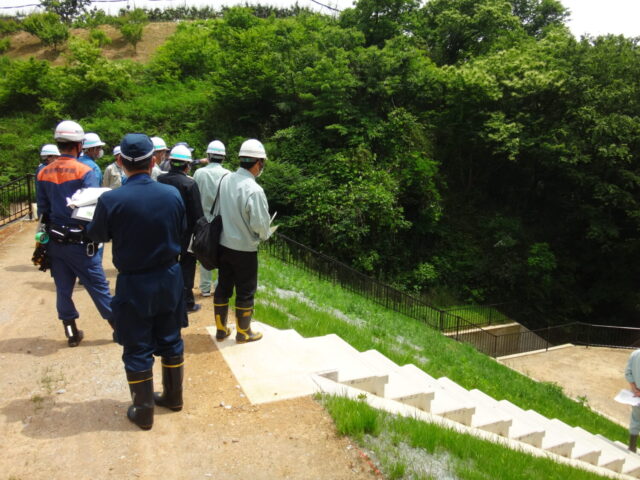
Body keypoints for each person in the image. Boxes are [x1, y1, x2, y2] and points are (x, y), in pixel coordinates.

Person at [86, 133, 186, 431]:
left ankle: (143, 411)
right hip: (170, 277)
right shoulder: (172, 194)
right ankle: (173, 397)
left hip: (134, 282)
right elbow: (181, 229)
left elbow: (98, 235)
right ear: (154, 160)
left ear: (120, 162)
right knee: (171, 338)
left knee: (137, 344)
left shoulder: (111, 199)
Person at [36, 120, 113, 347]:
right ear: (79, 144)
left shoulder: (43, 172)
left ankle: (71, 332)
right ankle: (119, 329)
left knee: (63, 288)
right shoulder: (86, 170)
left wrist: (42, 241)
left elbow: (43, 211)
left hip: (54, 240)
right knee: (99, 287)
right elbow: (91, 208)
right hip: (80, 241)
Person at [214, 139, 273, 343]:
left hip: (223, 243)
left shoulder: (226, 179)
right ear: (258, 163)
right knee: (246, 290)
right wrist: (265, 234)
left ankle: (221, 330)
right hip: (244, 249)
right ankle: (244, 332)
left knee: (223, 286)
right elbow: (259, 224)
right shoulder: (254, 190)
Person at [158, 144, 204, 315]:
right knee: (186, 266)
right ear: (187, 165)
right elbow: (198, 215)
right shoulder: (190, 184)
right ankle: (187, 302)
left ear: (170, 163)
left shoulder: (160, 180)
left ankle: (166, 298)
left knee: (165, 264)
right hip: (186, 233)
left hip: (164, 230)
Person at [192, 140, 230, 298]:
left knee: (204, 251)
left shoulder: (199, 173)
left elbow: (194, 195)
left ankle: (205, 288)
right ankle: (219, 285)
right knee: (222, 253)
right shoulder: (229, 175)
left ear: (208, 156)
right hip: (222, 220)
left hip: (203, 219)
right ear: (223, 158)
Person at [35, 144, 60, 217]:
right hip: (48, 208)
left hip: (43, 206)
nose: (58, 159)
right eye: (56, 157)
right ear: (49, 157)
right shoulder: (46, 170)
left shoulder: (41, 168)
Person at [625, 349, 640, 452]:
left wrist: (634, 389)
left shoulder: (635, 354)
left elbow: (628, 373)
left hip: (637, 394)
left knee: (635, 419)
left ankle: (632, 447)